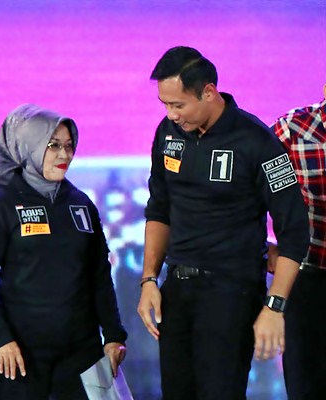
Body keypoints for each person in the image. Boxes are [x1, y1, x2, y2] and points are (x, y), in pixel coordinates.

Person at [136, 46, 310, 400]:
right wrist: (149, 279)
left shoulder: (257, 142)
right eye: (165, 105)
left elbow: (294, 231)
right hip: (177, 290)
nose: (171, 115)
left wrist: (274, 307)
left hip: (232, 293)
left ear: (209, 92)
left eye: (178, 105)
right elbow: (159, 209)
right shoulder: (168, 134)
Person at [0, 104, 127, 399]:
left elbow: (99, 275)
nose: (64, 155)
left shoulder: (82, 204)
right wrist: (0, 338)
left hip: (83, 352)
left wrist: (114, 335)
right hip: (20, 354)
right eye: (53, 146)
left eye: (69, 145)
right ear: (30, 147)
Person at [271, 85, 326, 400]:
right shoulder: (292, 129)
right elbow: (246, 190)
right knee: (307, 386)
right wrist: (265, 248)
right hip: (309, 279)